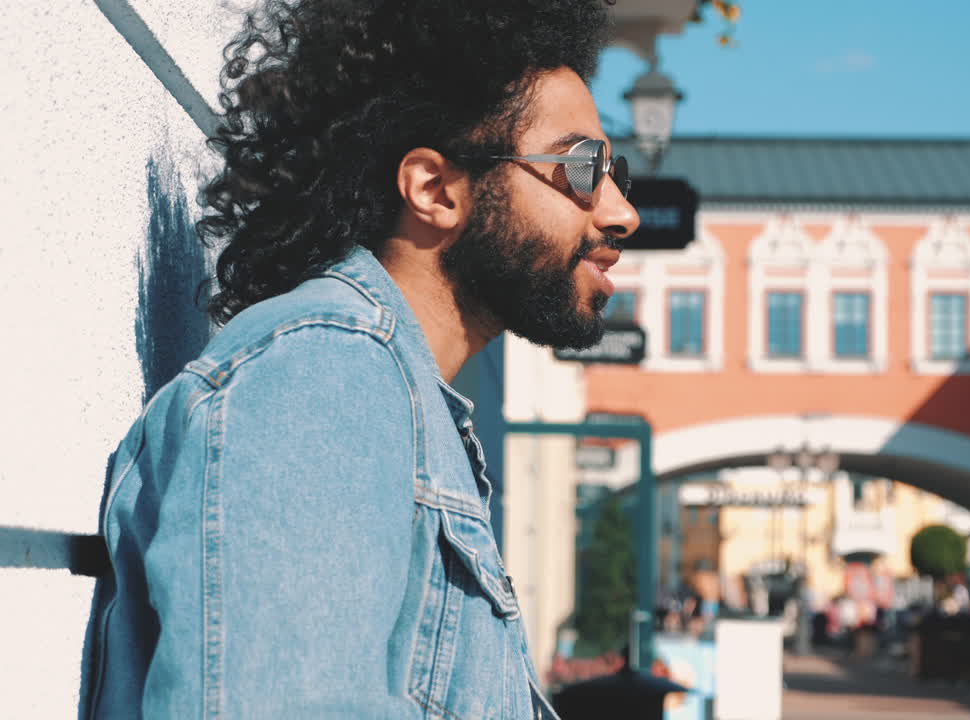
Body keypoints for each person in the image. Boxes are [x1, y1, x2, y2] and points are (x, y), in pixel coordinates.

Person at [78, 1, 638, 717]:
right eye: (583, 166)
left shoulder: (388, 398)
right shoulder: (320, 381)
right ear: (434, 190)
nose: (622, 212)